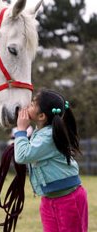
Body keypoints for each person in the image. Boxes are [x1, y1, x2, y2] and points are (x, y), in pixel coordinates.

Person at [14, 89, 88, 232]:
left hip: (69, 199)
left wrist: (21, 130)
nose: (27, 106)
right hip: (49, 198)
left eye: (32, 104)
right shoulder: (40, 134)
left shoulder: (48, 136)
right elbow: (27, 152)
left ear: (41, 116)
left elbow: (22, 156)